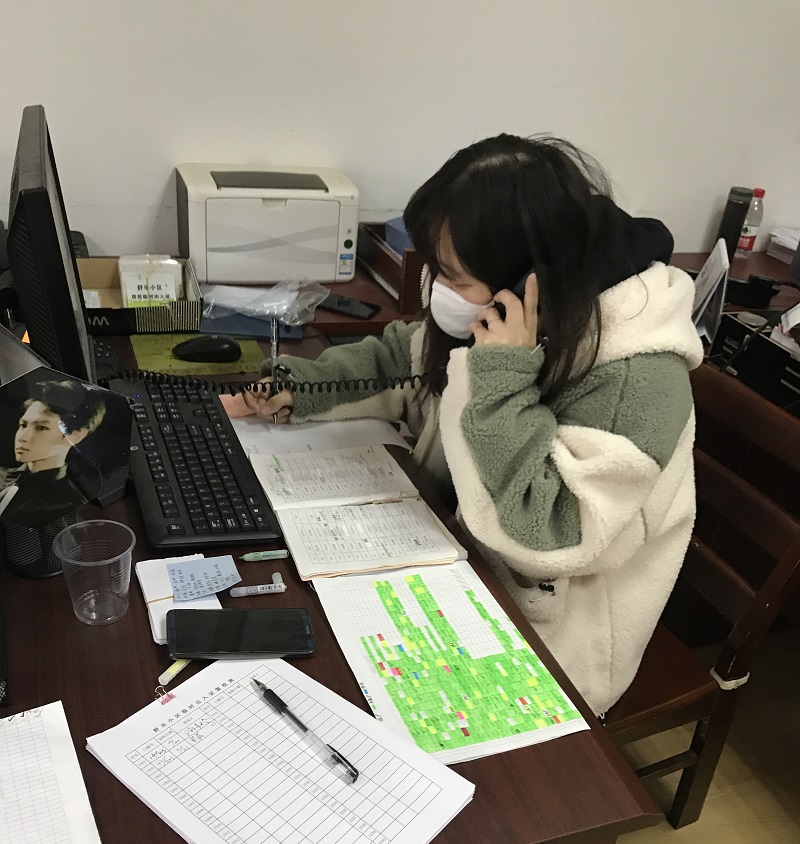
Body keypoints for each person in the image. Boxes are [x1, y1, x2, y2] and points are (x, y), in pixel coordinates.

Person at [234, 133, 703, 717]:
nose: (438, 291)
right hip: (451, 552)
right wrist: (294, 387)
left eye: (453, 276)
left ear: (527, 281)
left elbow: (550, 535)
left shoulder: (636, 378)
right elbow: (399, 358)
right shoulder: (518, 311)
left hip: (554, 633)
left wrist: (500, 378)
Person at [0, 377, 106, 528]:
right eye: (23, 425)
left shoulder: (69, 504)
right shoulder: (3, 475)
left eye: (41, 427)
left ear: (75, 435)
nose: (23, 437)